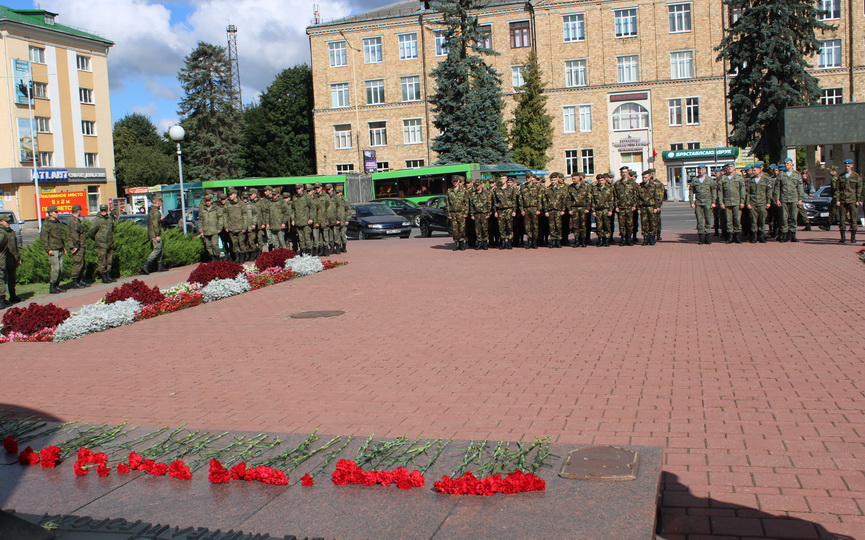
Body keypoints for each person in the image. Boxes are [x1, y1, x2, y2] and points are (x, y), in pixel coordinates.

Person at [773, 158, 805, 242]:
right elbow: (777, 188)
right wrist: (777, 199)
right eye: (785, 163)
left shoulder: (797, 174)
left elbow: (800, 187)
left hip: (794, 199)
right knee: (784, 218)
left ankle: (793, 235)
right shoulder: (781, 174)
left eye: (788, 163)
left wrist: (800, 199)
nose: (786, 164)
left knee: (794, 218)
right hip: (784, 199)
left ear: (792, 164)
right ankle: (784, 235)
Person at [40, 205, 68, 293]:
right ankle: (52, 286)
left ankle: (57, 285)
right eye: (56, 212)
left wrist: (63, 247)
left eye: (57, 212)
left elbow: (60, 236)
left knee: (61, 268)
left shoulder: (57, 222)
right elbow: (44, 238)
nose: (57, 213)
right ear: (51, 213)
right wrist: (48, 249)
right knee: (55, 268)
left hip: (59, 247)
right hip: (53, 249)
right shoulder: (46, 223)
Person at [836, 159, 863, 244]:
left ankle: (853, 237)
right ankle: (843, 237)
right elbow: (837, 189)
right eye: (845, 166)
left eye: (848, 166)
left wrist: (859, 199)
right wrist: (837, 199)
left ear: (852, 166)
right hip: (843, 200)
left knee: (853, 219)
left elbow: (859, 189)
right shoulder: (841, 176)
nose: (847, 167)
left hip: (852, 199)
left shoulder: (856, 176)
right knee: (842, 219)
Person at [718, 162, 746, 244]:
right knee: (728, 220)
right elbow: (720, 192)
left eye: (731, 166)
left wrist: (742, 201)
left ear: (734, 167)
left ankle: (737, 236)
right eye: (728, 167)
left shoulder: (739, 178)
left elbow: (742, 191)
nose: (730, 168)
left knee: (737, 220)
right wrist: (721, 202)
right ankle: (730, 236)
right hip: (727, 203)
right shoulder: (723, 179)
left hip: (737, 202)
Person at [689, 165, 717, 245]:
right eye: (699, 169)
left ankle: (707, 238)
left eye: (702, 169)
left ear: (705, 170)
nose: (700, 171)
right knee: (699, 220)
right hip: (698, 203)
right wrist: (691, 202)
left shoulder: (710, 180)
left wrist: (713, 202)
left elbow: (713, 191)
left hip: (708, 203)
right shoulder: (695, 180)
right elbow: (691, 191)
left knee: (708, 220)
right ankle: (701, 238)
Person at [88, 203, 116, 283]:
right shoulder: (97, 220)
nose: (103, 212)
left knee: (109, 261)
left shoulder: (109, 219)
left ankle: (108, 275)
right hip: (101, 244)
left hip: (109, 243)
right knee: (102, 261)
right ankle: (104, 277)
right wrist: (97, 239)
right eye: (102, 210)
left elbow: (112, 229)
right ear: (100, 211)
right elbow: (91, 232)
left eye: (105, 210)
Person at [745, 163, 773, 244]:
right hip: (753, 203)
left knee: (762, 220)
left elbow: (768, 192)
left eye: (755, 170)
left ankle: (761, 236)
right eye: (752, 170)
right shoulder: (750, 180)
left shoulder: (766, 179)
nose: (753, 171)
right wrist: (748, 203)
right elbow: (747, 193)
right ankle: (754, 236)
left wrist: (768, 202)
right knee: (753, 221)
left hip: (762, 203)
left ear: (760, 169)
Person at [67, 204, 90, 288]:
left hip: (81, 245)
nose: (81, 212)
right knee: (78, 263)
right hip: (77, 246)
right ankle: (75, 281)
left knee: (81, 263)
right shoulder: (74, 221)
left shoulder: (76, 220)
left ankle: (80, 280)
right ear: (78, 211)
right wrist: (75, 246)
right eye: (80, 210)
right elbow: (74, 235)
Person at [0, 214, 21, 307]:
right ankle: (2, 299)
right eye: (6, 221)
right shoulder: (2, 232)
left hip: (12, 257)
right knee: (2, 279)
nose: (8, 223)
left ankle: (13, 295)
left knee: (12, 278)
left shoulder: (11, 231)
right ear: (1, 221)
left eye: (9, 221)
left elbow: (15, 246)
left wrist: (17, 257)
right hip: (4, 259)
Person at [567, 171, 592, 247]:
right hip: (574, 208)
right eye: (572, 178)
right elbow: (568, 199)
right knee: (575, 226)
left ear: (579, 178)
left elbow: (589, 198)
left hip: (583, 208)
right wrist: (569, 209)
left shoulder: (586, 186)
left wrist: (588, 208)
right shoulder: (571, 187)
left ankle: (583, 240)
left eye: (574, 178)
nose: (573, 180)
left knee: (583, 225)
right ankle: (577, 240)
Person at [141, 194, 165, 274]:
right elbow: (156, 224)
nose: (161, 203)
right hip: (155, 234)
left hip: (152, 233)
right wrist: (157, 234)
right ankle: (146, 264)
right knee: (157, 249)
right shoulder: (155, 212)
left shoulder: (152, 210)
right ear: (158, 202)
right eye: (161, 201)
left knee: (160, 249)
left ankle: (160, 266)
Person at [492, 175, 517, 249]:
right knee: (501, 227)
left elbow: (514, 201)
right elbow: (495, 201)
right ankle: (503, 242)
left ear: (506, 179)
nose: (502, 180)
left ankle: (509, 242)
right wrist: (495, 211)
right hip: (500, 210)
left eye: (503, 178)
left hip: (509, 209)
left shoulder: (511, 189)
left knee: (509, 227)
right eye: (501, 179)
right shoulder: (497, 190)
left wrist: (514, 210)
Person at [613, 168, 637, 246]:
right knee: (622, 224)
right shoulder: (617, 184)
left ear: (628, 173)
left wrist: (634, 205)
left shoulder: (632, 183)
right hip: (621, 207)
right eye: (622, 172)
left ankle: (629, 239)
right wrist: (616, 206)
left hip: (630, 207)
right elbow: (615, 196)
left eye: (625, 172)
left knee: (629, 224)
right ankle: (623, 239)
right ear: (620, 173)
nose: (624, 174)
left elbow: (635, 195)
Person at [543, 172, 567, 248]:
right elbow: (544, 201)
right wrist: (546, 211)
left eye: (554, 180)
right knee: (551, 226)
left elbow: (564, 200)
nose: (553, 181)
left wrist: (563, 210)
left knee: (558, 226)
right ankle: (553, 240)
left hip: (558, 210)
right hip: (550, 210)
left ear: (557, 179)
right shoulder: (547, 189)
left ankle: (558, 240)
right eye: (552, 180)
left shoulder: (561, 189)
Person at [446, 176, 469, 251]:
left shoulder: (464, 191)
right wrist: (448, 214)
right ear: (452, 182)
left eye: (456, 181)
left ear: (459, 181)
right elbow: (447, 203)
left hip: (461, 212)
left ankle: (462, 242)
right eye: (454, 181)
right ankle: (457, 243)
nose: (455, 183)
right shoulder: (449, 191)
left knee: (462, 228)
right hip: (453, 213)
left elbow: (466, 203)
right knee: (454, 229)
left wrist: (466, 212)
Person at [469, 179, 492, 250]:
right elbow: (471, 205)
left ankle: (485, 242)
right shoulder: (473, 194)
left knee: (485, 229)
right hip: (476, 214)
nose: (476, 187)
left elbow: (489, 204)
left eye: (478, 185)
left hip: (484, 214)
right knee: (477, 229)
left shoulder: (486, 193)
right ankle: (479, 242)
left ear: (481, 185)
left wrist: (488, 213)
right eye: (475, 185)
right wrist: (472, 214)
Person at [520, 173, 542, 249]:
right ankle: (529, 241)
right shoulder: (523, 187)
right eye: (526, 177)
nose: (527, 179)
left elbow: (539, 199)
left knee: (535, 226)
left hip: (534, 208)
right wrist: (522, 209)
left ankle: (534, 242)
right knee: (527, 227)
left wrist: (539, 209)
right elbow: (521, 199)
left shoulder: (537, 187)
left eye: (529, 177)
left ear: (532, 177)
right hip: (526, 209)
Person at [592, 173, 614, 246]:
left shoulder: (609, 189)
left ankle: (607, 239)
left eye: (602, 180)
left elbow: (611, 200)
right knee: (599, 226)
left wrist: (611, 210)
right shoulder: (595, 189)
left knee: (607, 225)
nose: (601, 182)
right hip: (598, 210)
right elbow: (592, 201)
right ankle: (600, 239)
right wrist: (593, 210)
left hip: (606, 209)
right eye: (599, 180)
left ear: (605, 180)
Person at [198, 194, 222, 261]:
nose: (208, 202)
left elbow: (220, 218)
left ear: (211, 201)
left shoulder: (216, 209)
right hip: (206, 231)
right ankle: (212, 258)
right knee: (208, 246)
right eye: (206, 201)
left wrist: (219, 228)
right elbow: (200, 220)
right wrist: (201, 230)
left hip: (214, 230)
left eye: (209, 200)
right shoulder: (203, 210)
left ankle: (217, 257)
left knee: (215, 245)